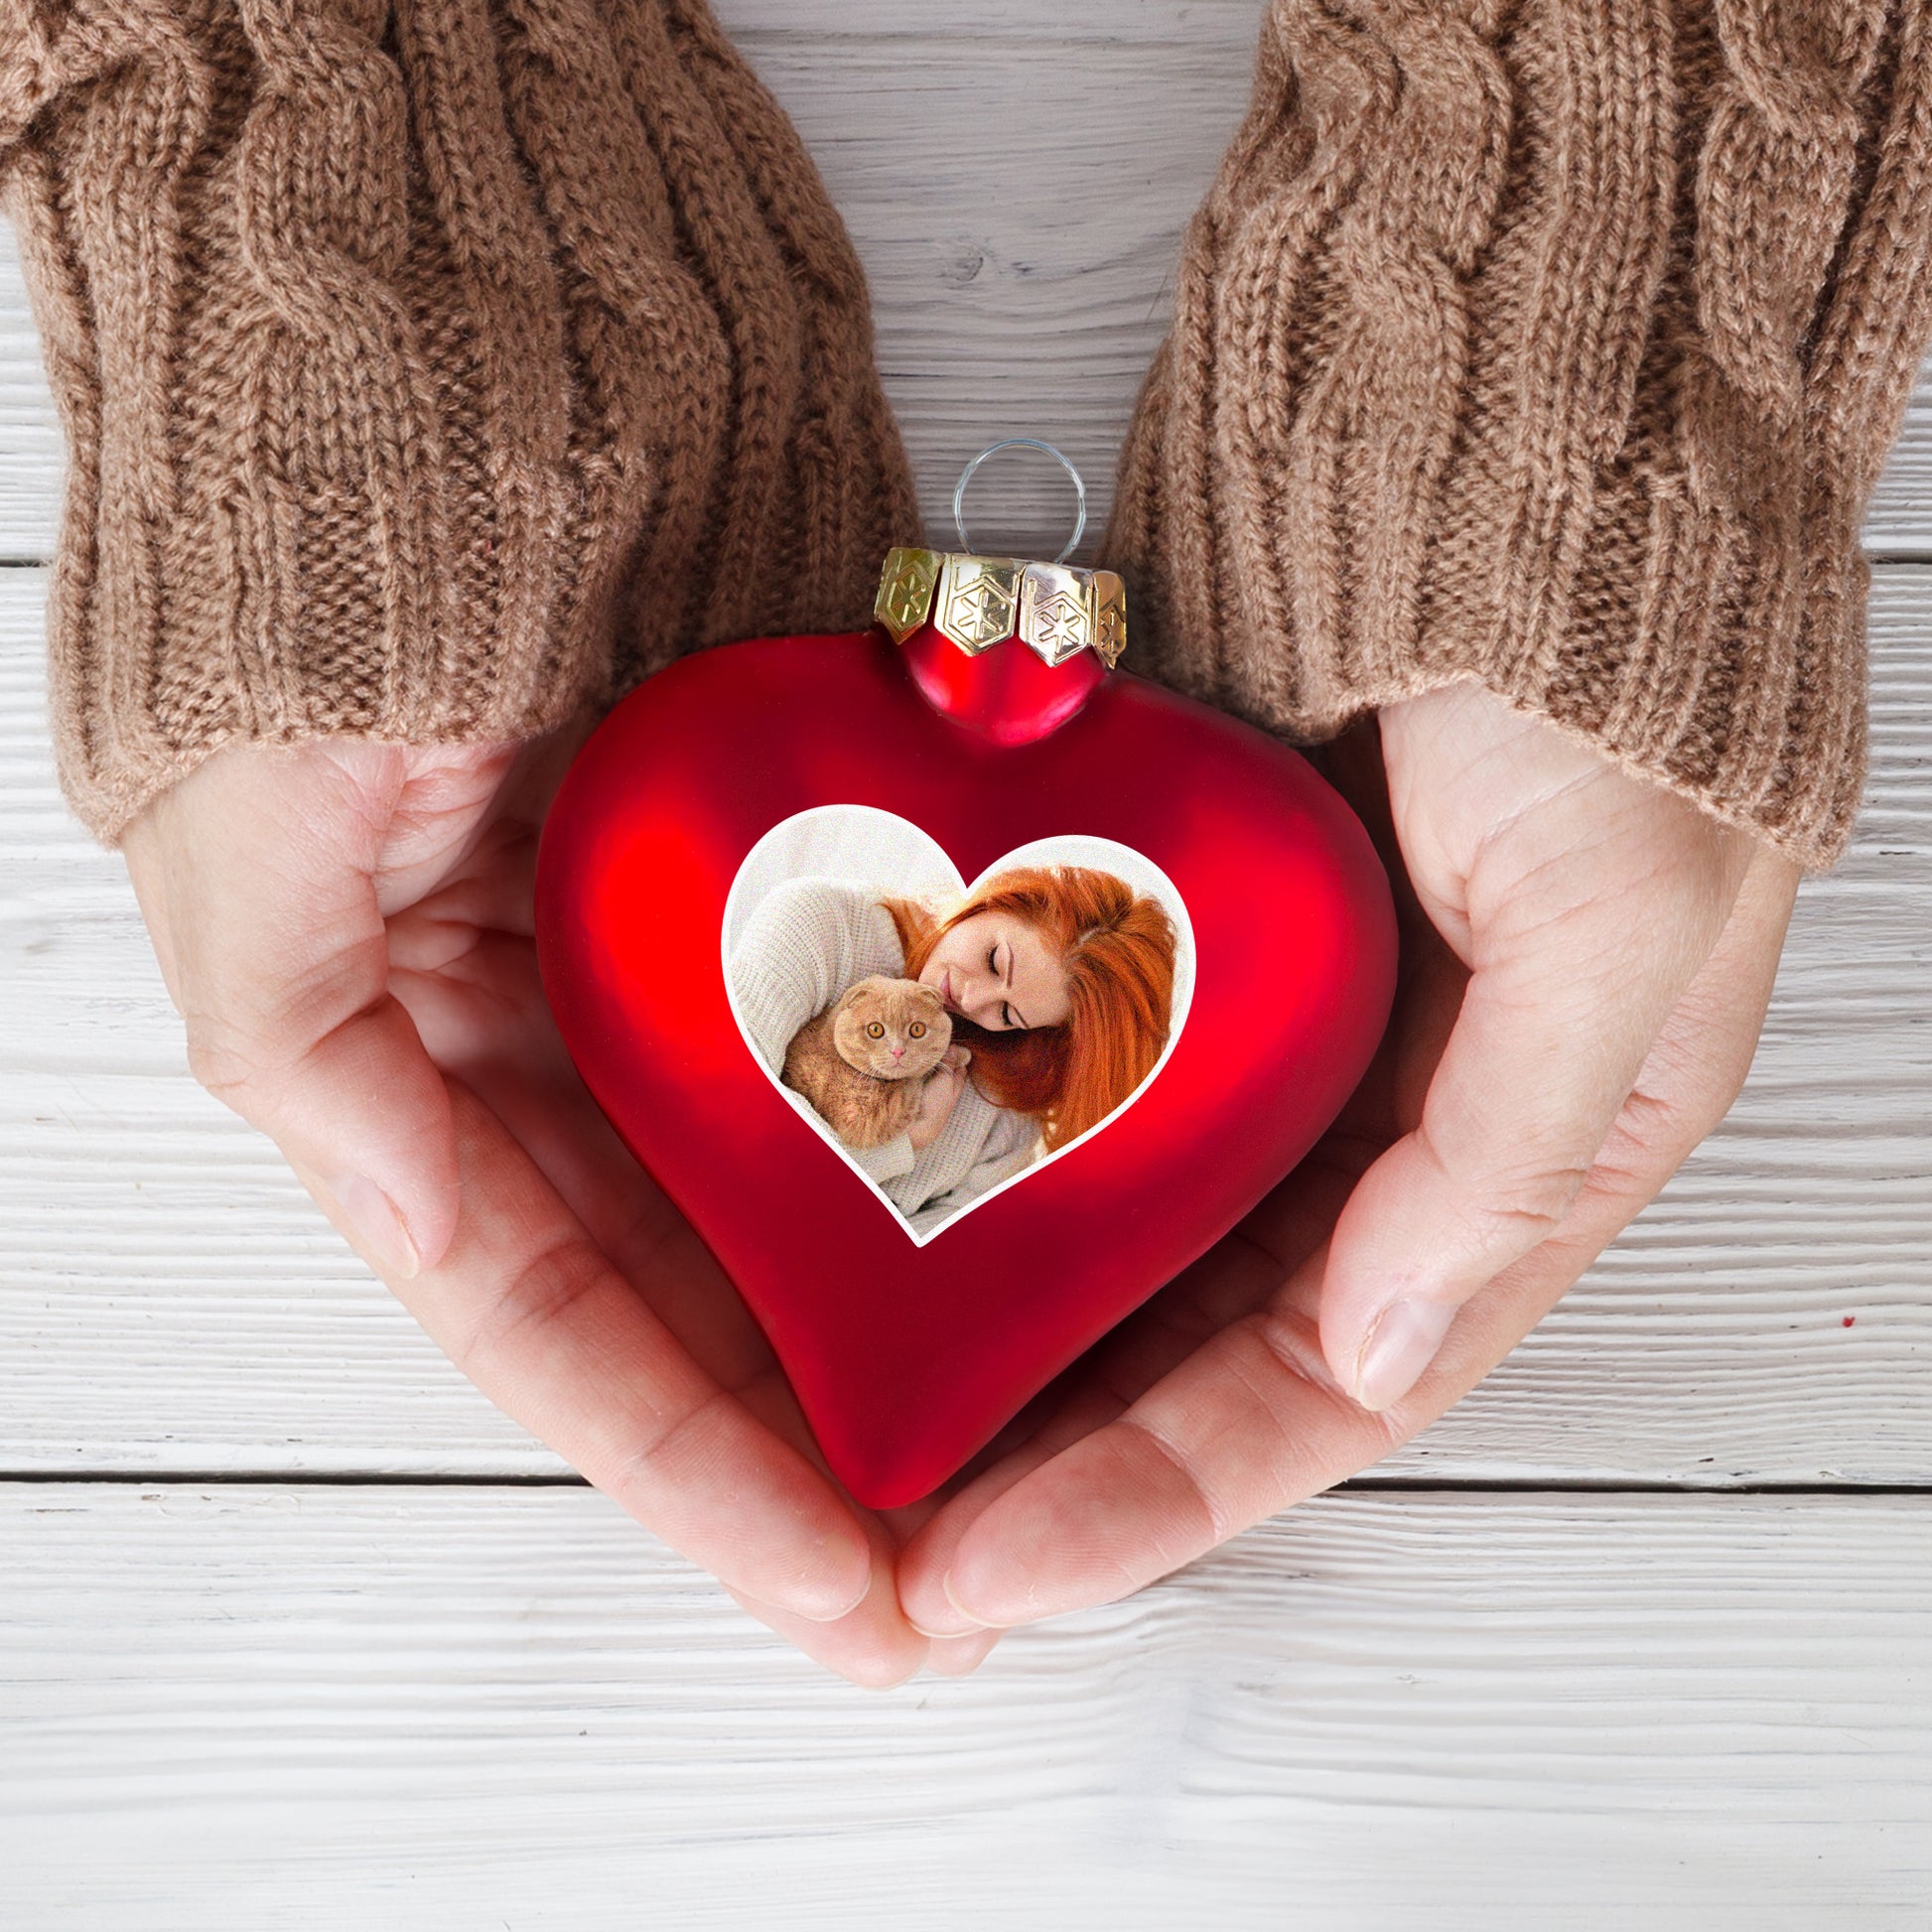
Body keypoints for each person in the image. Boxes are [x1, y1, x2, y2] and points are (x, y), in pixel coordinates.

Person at [4, 0, 1930, 1691]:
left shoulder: (1015, 1067)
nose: (951, 968)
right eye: (975, 942)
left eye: (994, 964)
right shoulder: (846, 967)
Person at [729, 866, 1177, 1235]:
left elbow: (904, 1268)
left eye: (1008, 1015)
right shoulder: (822, 926)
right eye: (993, 961)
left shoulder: (1006, 1120)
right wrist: (903, 1142)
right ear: (993, 900)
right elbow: (735, 1114)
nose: (971, 1000)